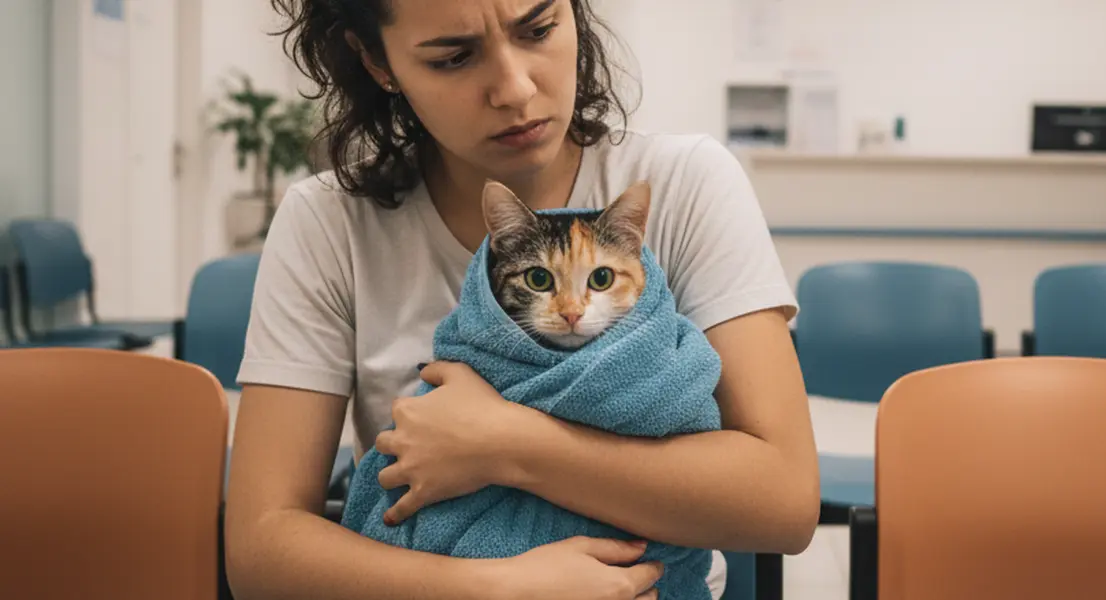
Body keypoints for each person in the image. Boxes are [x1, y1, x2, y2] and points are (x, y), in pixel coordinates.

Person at [223, 1, 821, 599]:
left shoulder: (685, 182)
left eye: (538, 29)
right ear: (377, 61)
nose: (515, 88)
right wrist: (495, 587)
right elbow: (260, 550)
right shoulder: (328, 223)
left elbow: (786, 504)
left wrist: (506, 445)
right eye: (454, 57)